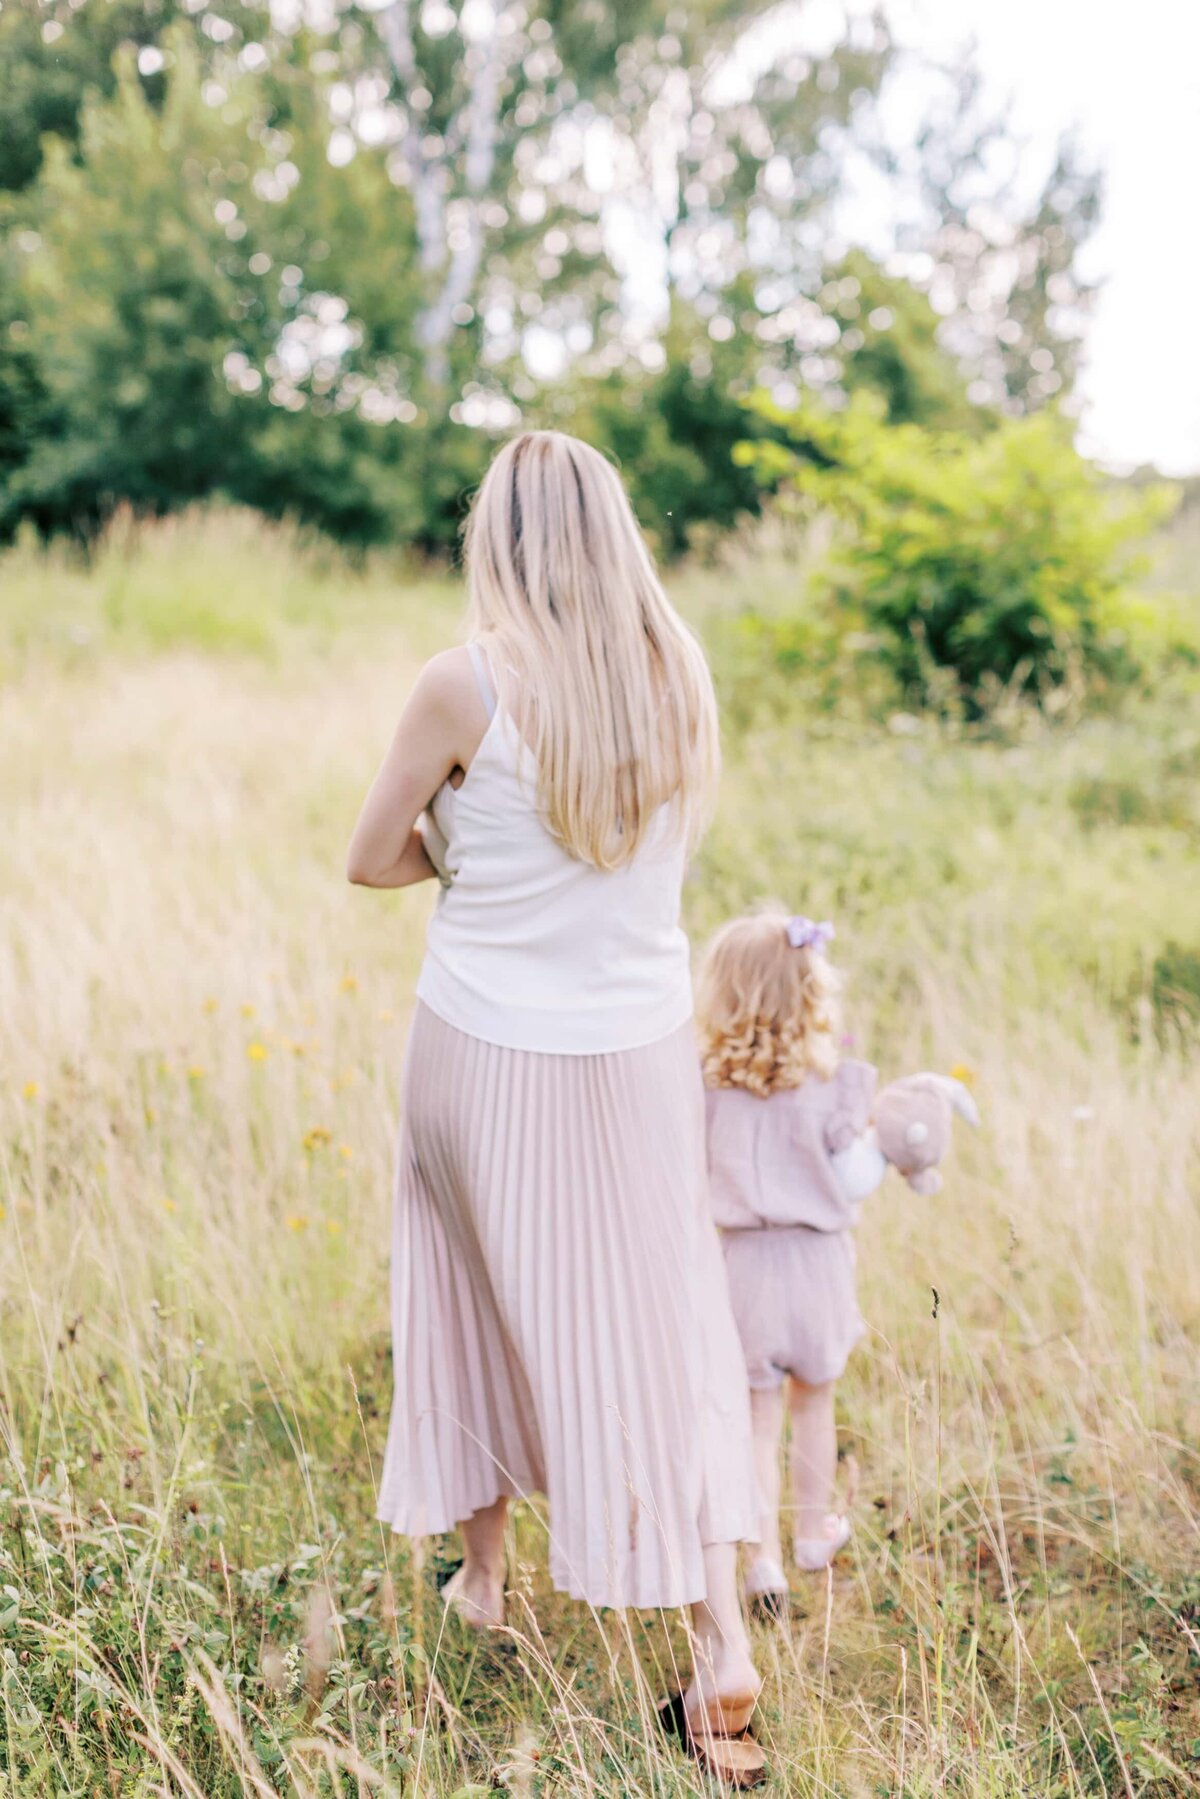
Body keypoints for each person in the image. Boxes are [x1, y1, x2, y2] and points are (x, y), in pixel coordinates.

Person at [347, 431, 765, 1784]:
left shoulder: (460, 683)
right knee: (667, 1328)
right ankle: (716, 1641)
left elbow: (368, 857)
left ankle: (485, 1579)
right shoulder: (679, 671)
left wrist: (466, 844)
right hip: (641, 1051)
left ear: (499, 538)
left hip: (481, 1044)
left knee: (471, 1292)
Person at [695, 908, 889, 1612]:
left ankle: (762, 1561)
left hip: (743, 1266)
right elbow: (854, 1173)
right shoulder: (830, 1083)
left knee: (755, 1414)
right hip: (818, 1266)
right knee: (815, 1400)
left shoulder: (708, 1084)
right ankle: (812, 1533)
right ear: (811, 991)